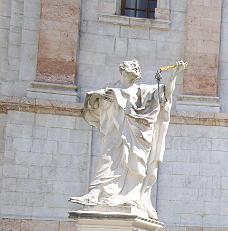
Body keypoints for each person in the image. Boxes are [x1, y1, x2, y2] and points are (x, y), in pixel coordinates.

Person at [69, 59, 186, 220]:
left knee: (132, 164)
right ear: (122, 69)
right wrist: (100, 97)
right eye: (133, 66)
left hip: (134, 136)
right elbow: (93, 107)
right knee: (107, 159)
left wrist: (173, 76)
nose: (137, 69)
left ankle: (129, 195)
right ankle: (95, 193)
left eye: (138, 67)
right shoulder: (111, 89)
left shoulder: (141, 91)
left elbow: (164, 95)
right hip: (114, 132)